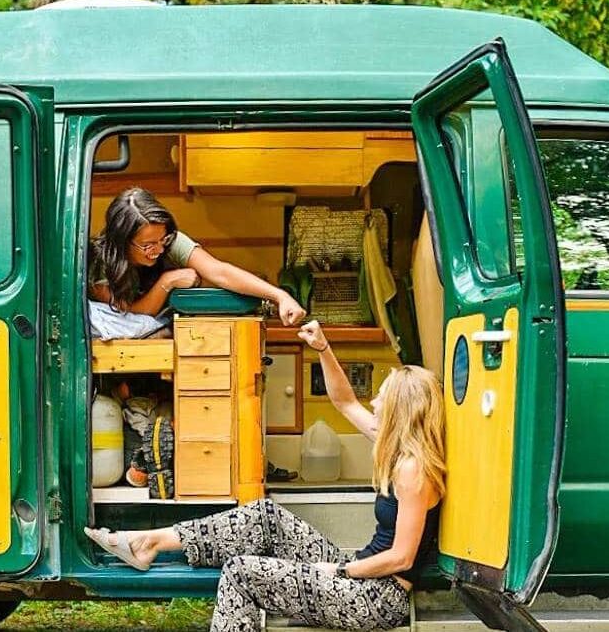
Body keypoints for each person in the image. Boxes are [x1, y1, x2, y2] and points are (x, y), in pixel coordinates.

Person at [85, 320, 446, 632]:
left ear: (401, 409)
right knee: (265, 517)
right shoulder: (396, 447)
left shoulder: (413, 469)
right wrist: (323, 348)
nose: (375, 403)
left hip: (375, 597)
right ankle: (150, 543)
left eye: (382, 397)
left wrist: (341, 570)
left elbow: (402, 558)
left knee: (241, 573)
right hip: (360, 579)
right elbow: (345, 401)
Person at [88, 187, 306, 326]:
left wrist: (279, 296)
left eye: (161, 241)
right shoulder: (100, 259)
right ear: (123, 240)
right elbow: (132, 313)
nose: (159, 250)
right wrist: (168, 281)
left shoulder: (168, 240)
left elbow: (219, 272)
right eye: (147, 245)